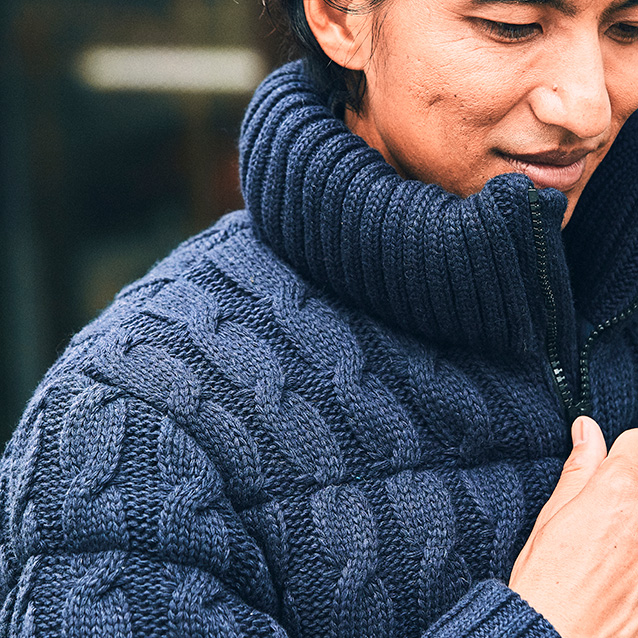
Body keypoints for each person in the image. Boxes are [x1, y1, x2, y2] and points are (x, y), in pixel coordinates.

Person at [1, 0, 638, 635]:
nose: (589, 107)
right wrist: (546, 626)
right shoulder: (137, 419)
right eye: (513, 27)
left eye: (628, 29)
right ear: (340, 17)